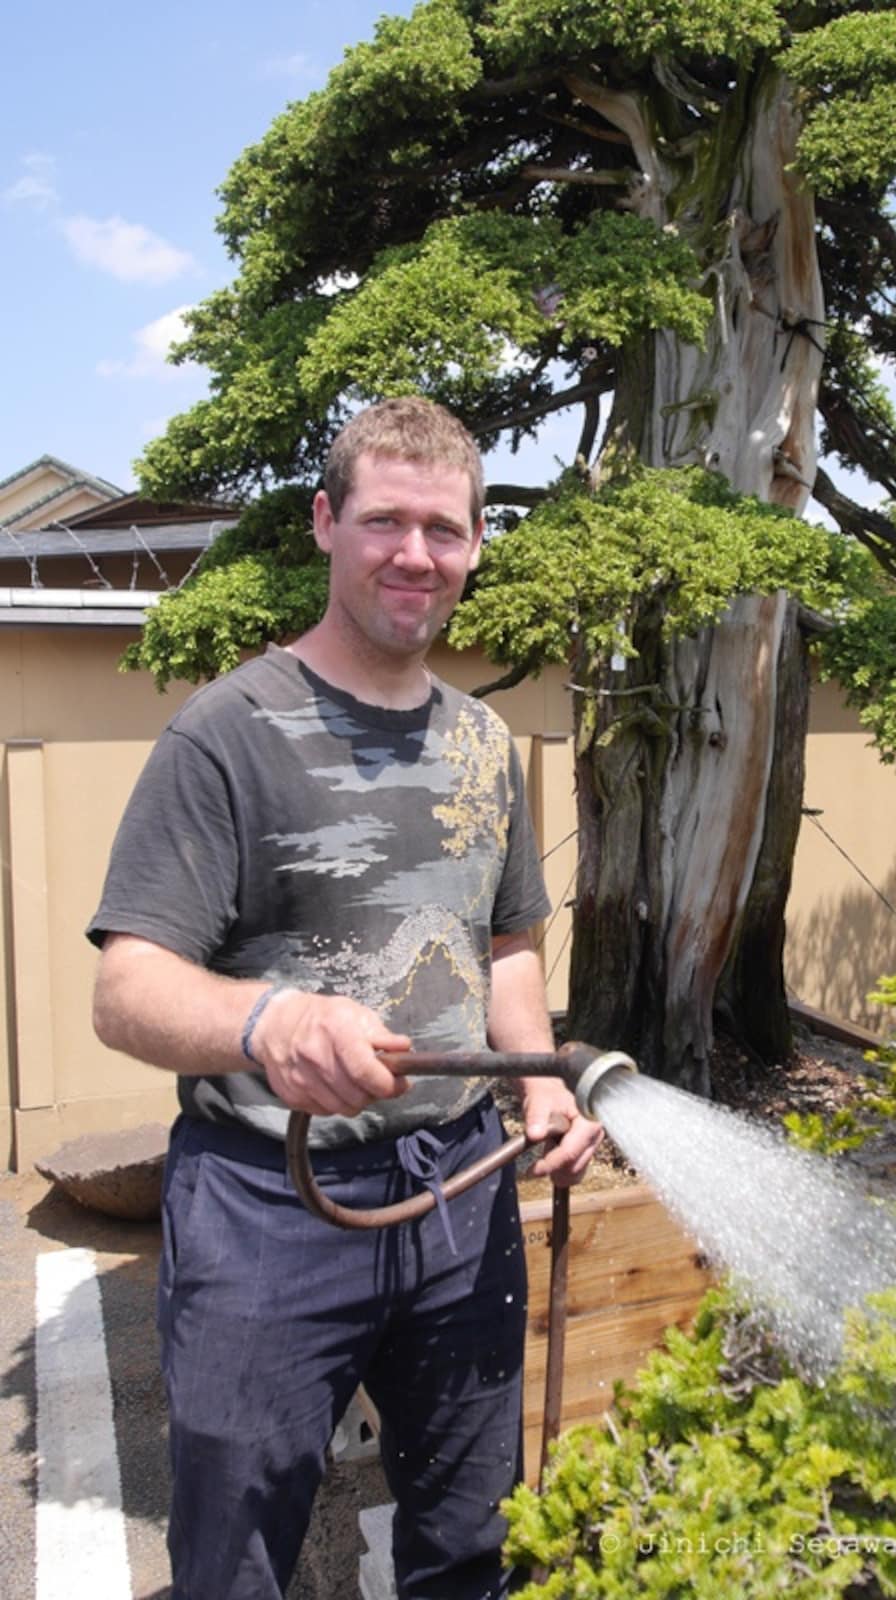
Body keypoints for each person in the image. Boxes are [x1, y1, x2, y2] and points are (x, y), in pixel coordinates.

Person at [87, 396, 602, 1600]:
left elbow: (509, 947)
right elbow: (128, 986)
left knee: (471, 1540)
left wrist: (536, 1085)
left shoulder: (482, 742)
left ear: (477, 544)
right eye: (384, 520)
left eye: (444, 527)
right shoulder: (227, 732)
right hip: (268, 1203)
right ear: (326, 524)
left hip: (457, 1199)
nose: (414, 553)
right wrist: (266, 1023)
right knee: (239, 1556)